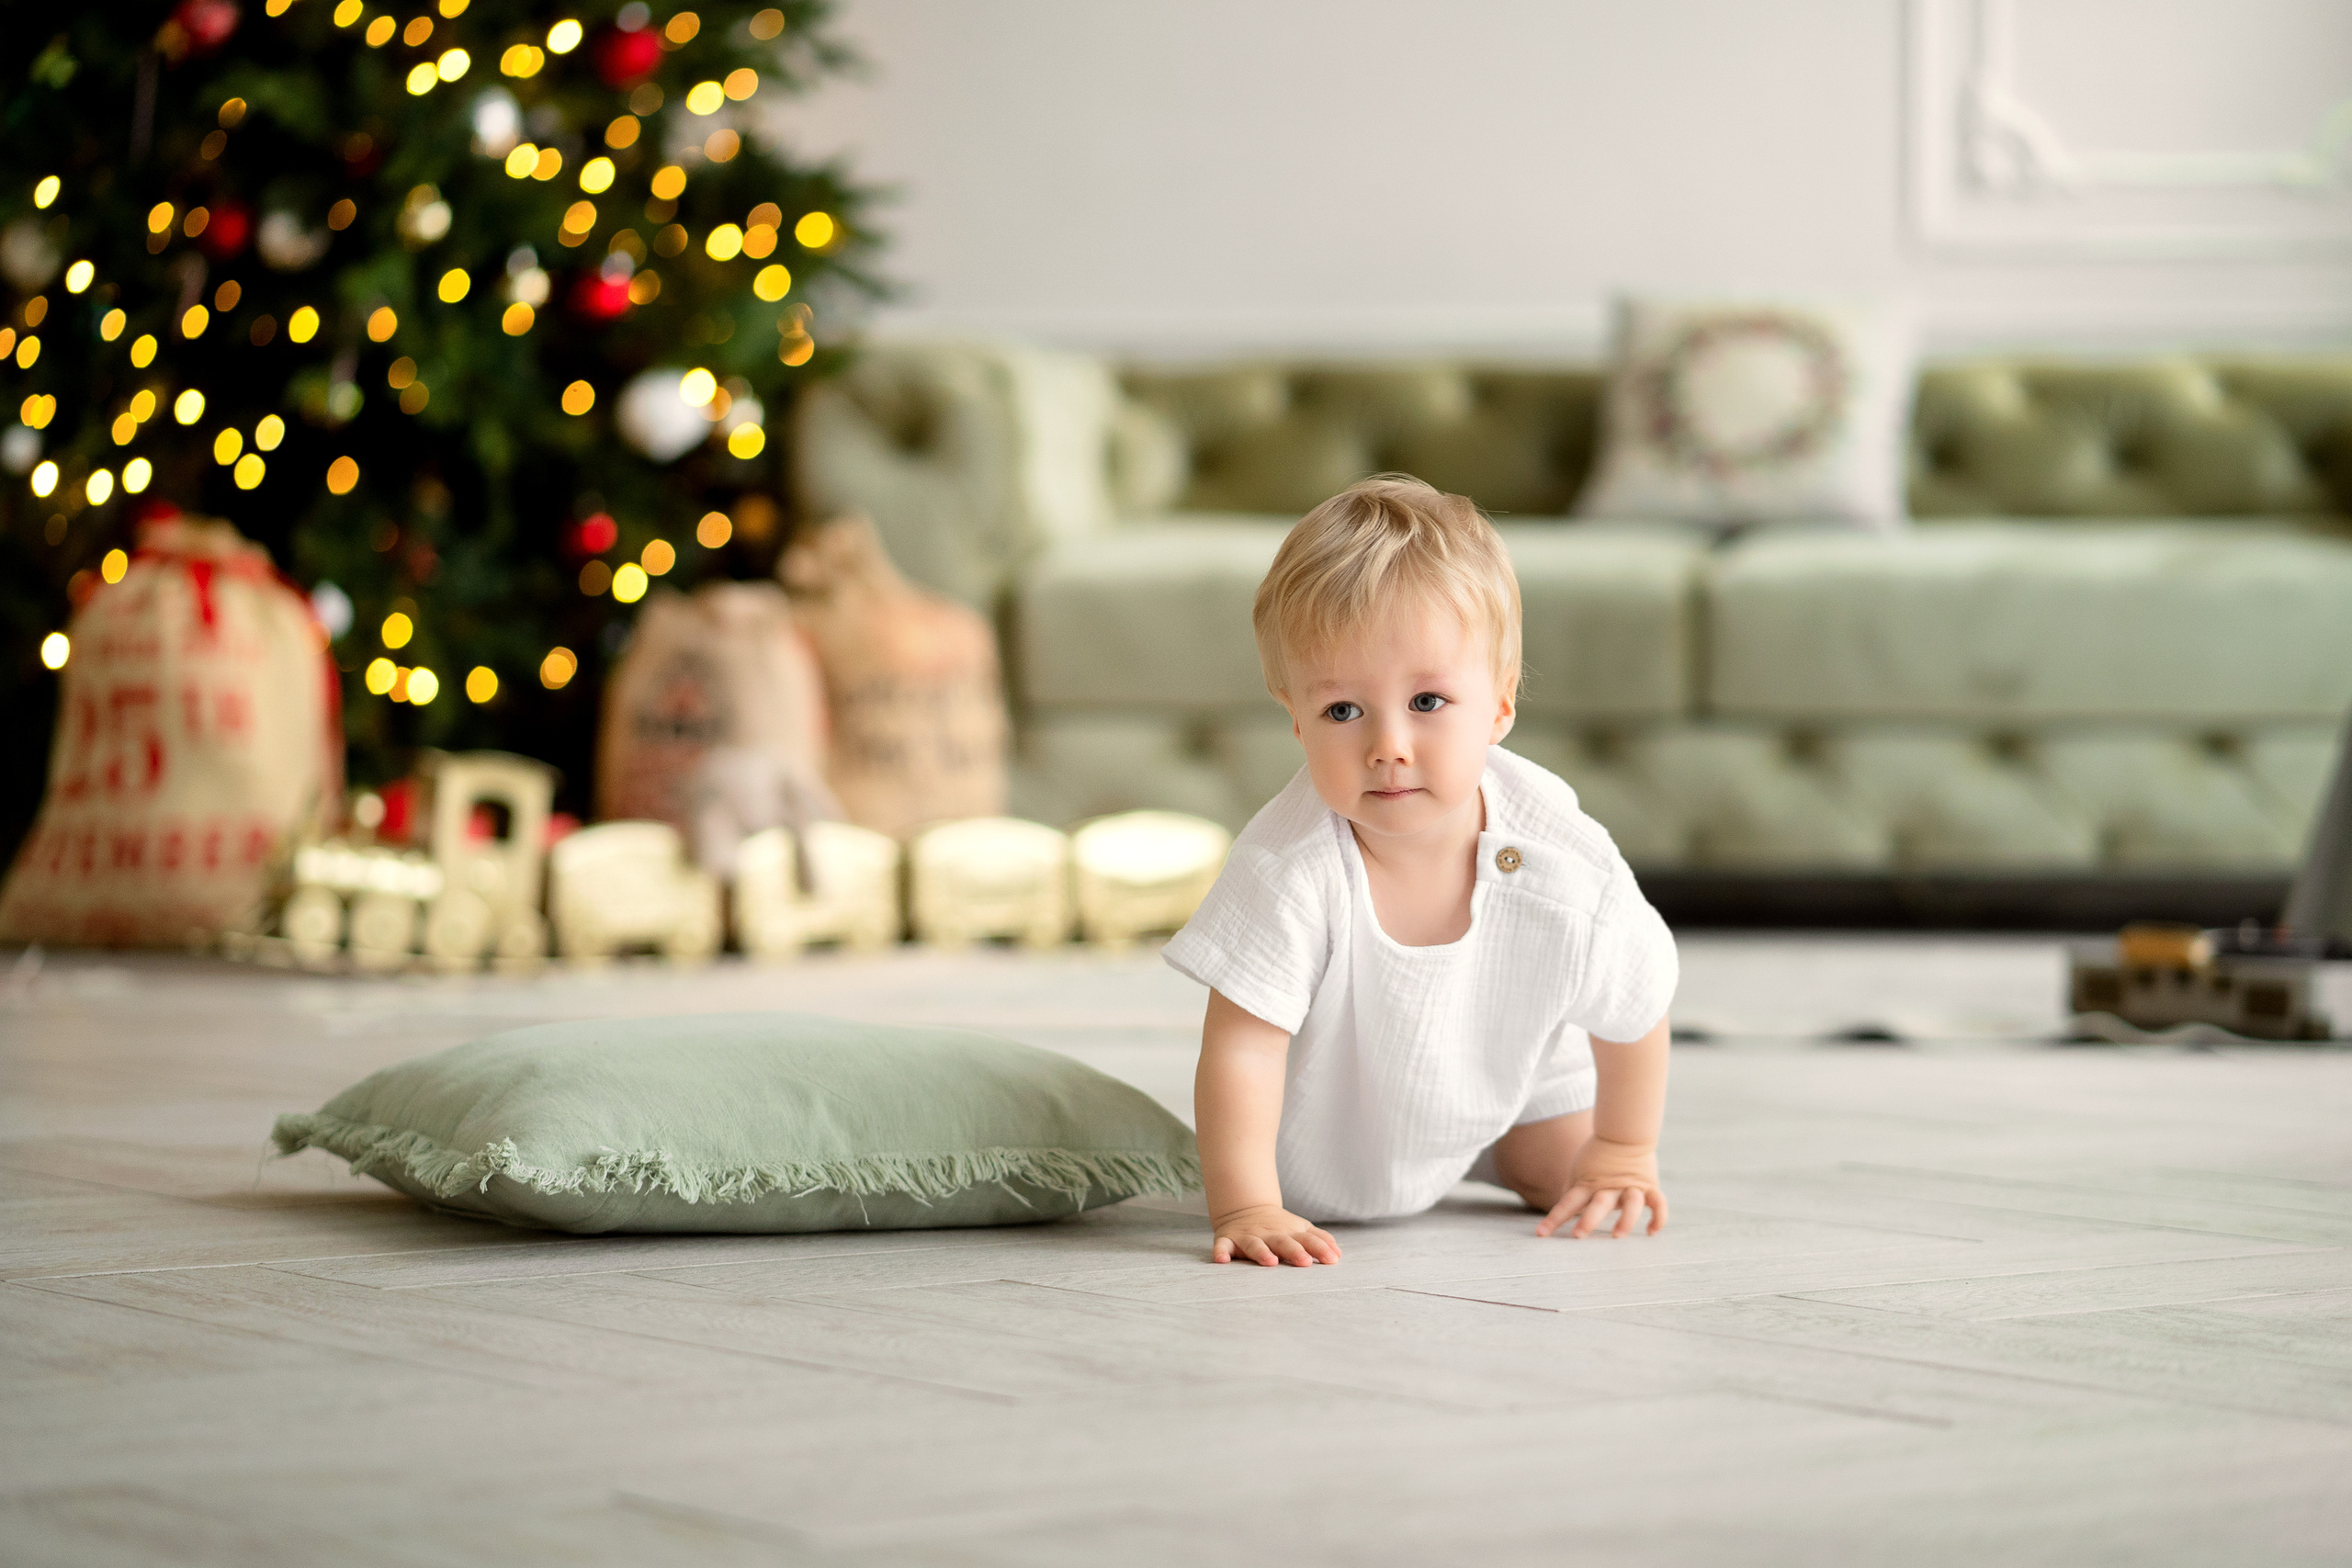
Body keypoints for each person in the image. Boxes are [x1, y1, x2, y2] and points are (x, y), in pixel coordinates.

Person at [1162, 475, 1679, 1266]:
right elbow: (1242, 1048)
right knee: (1314, 1188)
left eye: (1429, 701)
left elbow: (1635, 999)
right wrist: (1246, 1201)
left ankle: (1500, 1146)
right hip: (1339, 1130)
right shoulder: (1292, 868)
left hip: (1507, 1066)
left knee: (1570, 1173)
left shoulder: (1556, 848)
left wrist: (1623, 1147)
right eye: (1343, 711)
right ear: (1295, 716)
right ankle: (1379, 1167)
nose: (1389, 745)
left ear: (1501, 706)